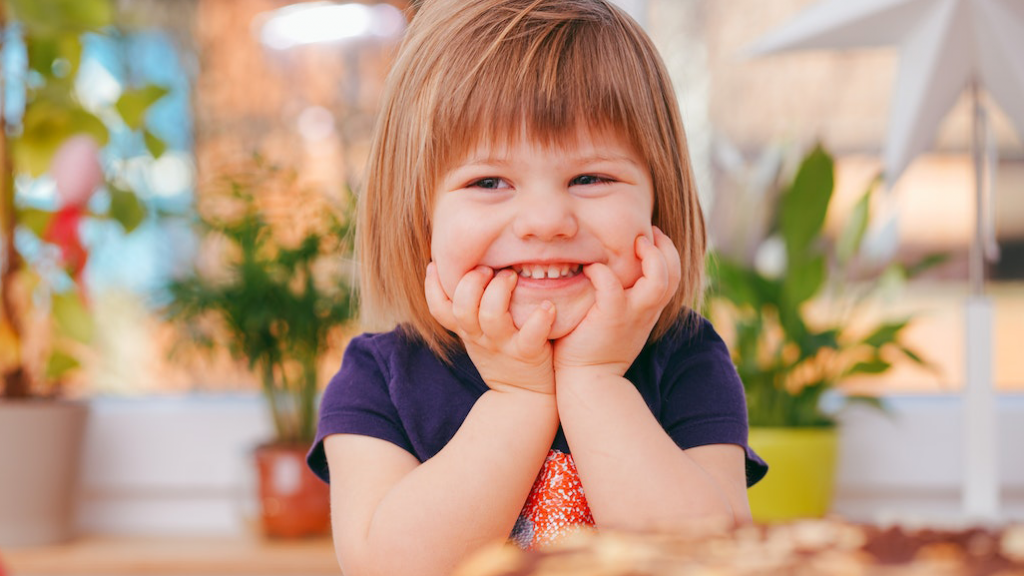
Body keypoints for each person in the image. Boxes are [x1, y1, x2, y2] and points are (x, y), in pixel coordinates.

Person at [306, 0, 767, 574]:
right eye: (490, 181)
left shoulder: (687, 359)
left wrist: (593, 383)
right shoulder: (379, 379)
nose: (546, 220)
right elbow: (390, 567)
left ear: (658, 204)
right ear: (420, 220)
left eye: (590, 177)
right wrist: (517, 399)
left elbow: (711, 562)